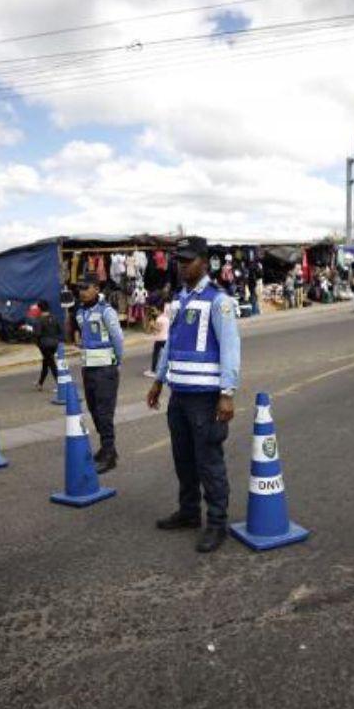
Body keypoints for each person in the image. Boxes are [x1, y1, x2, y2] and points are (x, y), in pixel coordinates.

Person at [147, 235, 241, 553]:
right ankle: (189, 513)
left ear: (204, 261)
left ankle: (217, 523)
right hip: (180, 395)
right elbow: (170, 344)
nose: (182, 265)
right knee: (183, 460)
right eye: (179, 261)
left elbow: (230, 349)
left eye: (188, 260)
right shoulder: (179, 299)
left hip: (206, 398)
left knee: (209, 462)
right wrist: (159, 380)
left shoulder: (219, 300)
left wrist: (226, 393)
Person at [74, 274, 123, 473]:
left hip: (105, 370)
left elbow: (117, 338)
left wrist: (117, 362)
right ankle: (106, 448)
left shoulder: (107, 311)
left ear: (96, 288)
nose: (82, 291)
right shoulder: (80, 312)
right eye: (80, 288)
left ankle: (109, 454)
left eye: (86, 287)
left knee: (104, 413)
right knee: (94, 410)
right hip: (89, 370)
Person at [31, 300, 62, 391]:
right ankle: (40, 383)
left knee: (51, 363)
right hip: (54, 344)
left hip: (44, 345)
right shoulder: (54, 318)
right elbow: (59, 331)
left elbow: (37, 334)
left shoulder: (39, 320)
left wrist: (37, 343)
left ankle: (60, 384)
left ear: (40, 309)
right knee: (46, 362)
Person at [145, 304, 170, 378]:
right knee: (165, 355)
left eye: (155, 310)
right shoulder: (166, 318)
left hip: (159, 339)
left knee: (155, 355)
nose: (154, 312)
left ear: (159, 311)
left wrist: (152, 325)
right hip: (165, 338)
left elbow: (158, 329)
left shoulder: (159, 319)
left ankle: (153, 370)